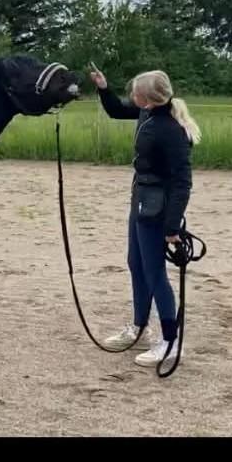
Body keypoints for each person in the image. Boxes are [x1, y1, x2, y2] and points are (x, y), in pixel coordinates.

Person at [89, 66, 201, 366]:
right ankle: (139, 326)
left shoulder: (170, 130)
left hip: (158, 208)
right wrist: (102, 87)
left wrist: (173, 226)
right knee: (135, 263)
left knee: (155, 274)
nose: (131, 96)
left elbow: (182, 182)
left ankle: (170, 341)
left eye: (135, 92)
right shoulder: (147, 113)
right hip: (141, 199)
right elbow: (115, 110)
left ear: (147, 97)